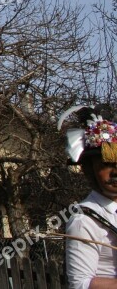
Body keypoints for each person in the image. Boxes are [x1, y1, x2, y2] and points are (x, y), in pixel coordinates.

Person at [64, 109, 117, 289]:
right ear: (90, 170)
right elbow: (80, 284)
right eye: (106, 165)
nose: (115, 172)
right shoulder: (84, 220)